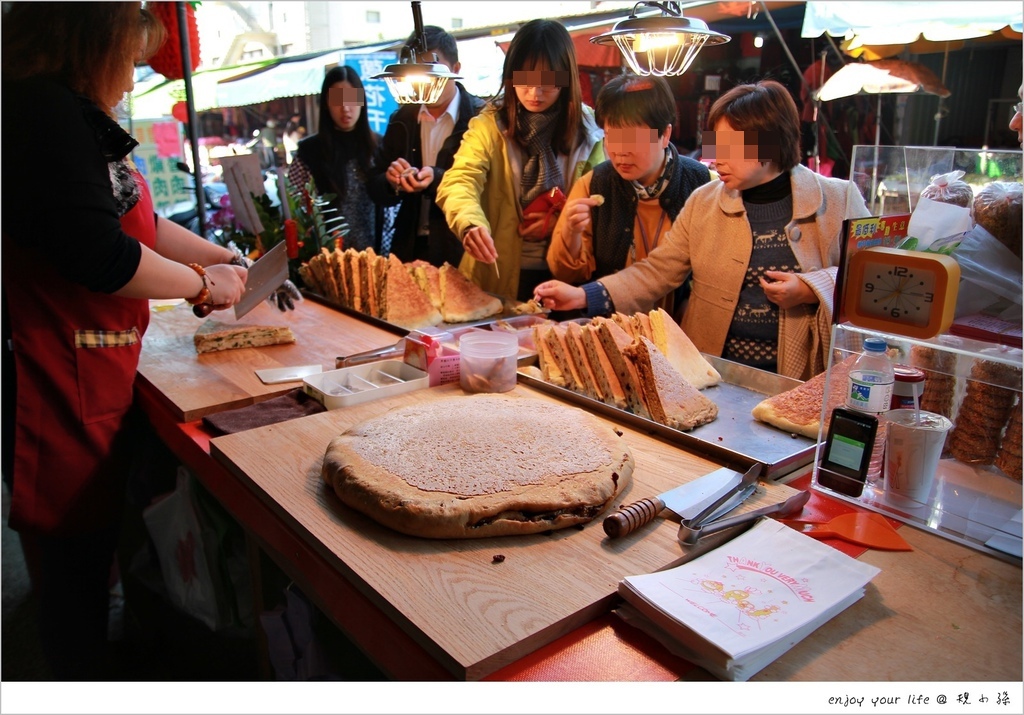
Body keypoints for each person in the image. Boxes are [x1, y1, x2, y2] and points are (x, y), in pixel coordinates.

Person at [1, 2, 248, 679]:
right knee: (69, 568)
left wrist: (223, 257)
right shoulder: (41, 115)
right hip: (53, 373)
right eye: (131, 62)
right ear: (90, 41)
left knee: (91, 552)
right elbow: (101, 252)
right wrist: (202, 285)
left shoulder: (71, 111)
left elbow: (137, 219)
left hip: (94, 363)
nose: (134, 78)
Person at [536, 80, 871, 381]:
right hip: (711, 371)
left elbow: (871, 279)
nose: (715, 158)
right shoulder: (704, 202)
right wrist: (583, 295)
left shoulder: (839, 199)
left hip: (798, 376)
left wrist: (812, 287)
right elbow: (657, 271)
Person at [436, 19, 605, 301]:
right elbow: (459, 180)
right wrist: (470, 223)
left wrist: (561, 222)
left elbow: (599, 202)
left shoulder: (590, 133)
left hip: (564, 278)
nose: (534, 93)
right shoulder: (490, 124)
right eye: (524, 80)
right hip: (494, 277)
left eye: (548, 82)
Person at [546, 74, 711, 319]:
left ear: (664, 134)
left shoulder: (704, 184)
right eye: (611, 136)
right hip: (609, 327)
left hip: (680, 333)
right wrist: (571, 233)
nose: (621, 151)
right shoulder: (594, 184)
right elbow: (567, 275)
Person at [368, 26, 486, 267]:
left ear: (456, 69)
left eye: (433, 72)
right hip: (409, 244)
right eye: (416, 73)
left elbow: (491, 186)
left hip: (460, 246)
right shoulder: (402, 119)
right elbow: (373, 185)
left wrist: (436, 178)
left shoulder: (480, 117)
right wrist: (391, 182)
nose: (425, 83)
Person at [288, 66, 382, 252]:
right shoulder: (309, 152)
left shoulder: (380, 147)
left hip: (376, 257)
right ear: (325, 104)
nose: (345, 108)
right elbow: (296, 208)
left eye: (351, 99)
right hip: (327, 259)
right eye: (337, 100)